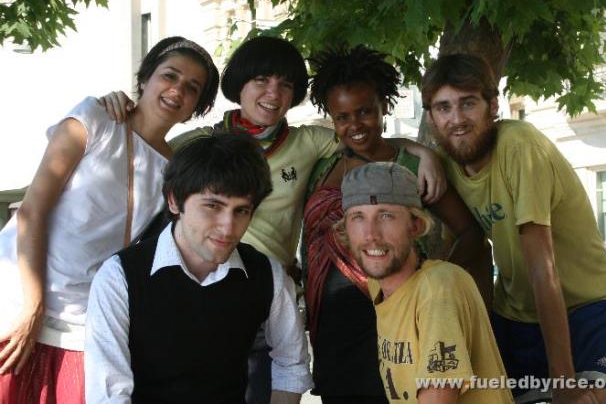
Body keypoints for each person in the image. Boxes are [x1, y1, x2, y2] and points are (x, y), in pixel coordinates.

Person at [100, 35, 447, 403]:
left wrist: (422, 151)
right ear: (239, 86)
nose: (273, 93)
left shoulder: (310, 143)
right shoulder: (199, 145)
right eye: (261, 80)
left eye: (285, 84)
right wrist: (114, 105)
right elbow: (140, 149)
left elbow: (364, 137)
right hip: (195, 294)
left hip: (268, 301)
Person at [0, 36, 219, 403]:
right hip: (18, 292)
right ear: (145, 79)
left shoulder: (173, 171)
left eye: (192, 88)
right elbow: (32, 209)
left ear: (195, 107)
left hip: (83, 316)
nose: (177, 90)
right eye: (169, 75)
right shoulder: (96, 118)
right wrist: (32, 304)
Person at [422, 53, 606, 403]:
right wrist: (418, 151)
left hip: (581, 304)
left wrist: (563, 380)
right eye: (443, 108)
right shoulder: (445, 163)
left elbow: (542, 268)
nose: (456, 119)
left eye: (467, 103)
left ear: (493, 105)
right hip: (515, 311)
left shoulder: (519, 145)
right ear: (430, 116)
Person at [302, 45, 491, 403]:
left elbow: (471, 233)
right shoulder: (322, 168)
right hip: (329, 330)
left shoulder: (412, 166)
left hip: (390, 326)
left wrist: (430, 283)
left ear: (384, 107)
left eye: (365, 112)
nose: (354, 125)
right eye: (342, 116)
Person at [84, 132, 312, 403]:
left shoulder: (266, 275)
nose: (228, 227)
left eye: (241, 211)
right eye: (212, 206)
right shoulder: (120, 277)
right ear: (174, 201)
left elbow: (291, 364)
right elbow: (109, 394)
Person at [338, 162, 513, 404]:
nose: (371, 234)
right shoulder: (380, 285)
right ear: (345, 229)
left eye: (386, 216)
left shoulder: (438, 287)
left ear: (416, 225)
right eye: (358, 217)